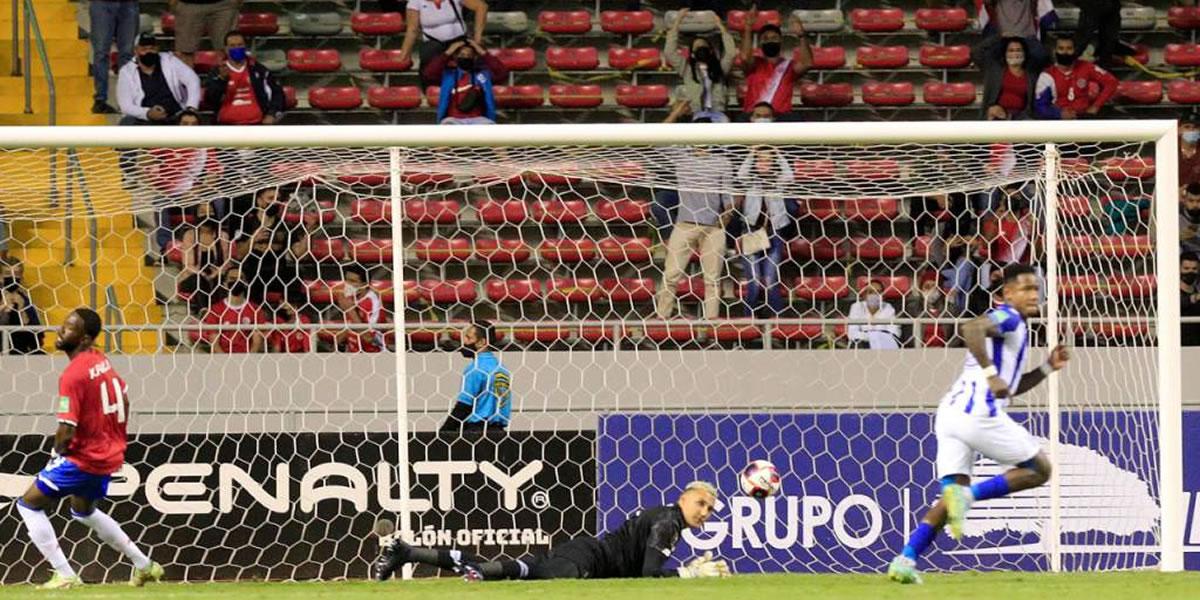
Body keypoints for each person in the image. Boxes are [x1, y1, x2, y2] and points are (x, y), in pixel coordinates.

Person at [888, 264, 1070, 584]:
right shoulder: (1008, 317)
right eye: (1025, 289)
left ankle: (905, 559)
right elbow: (971, 328)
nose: (1033, 295)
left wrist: (1047, 368)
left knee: (949, 500)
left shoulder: (1017, 329)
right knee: (1041, 469)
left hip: (949, 415)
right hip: (977, 415)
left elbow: (1010, 387)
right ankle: (970, 496)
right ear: (1008, 293)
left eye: (1035, 289)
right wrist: (990, 374)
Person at [14, 308, 164, 589]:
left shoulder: (72, 376)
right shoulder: (100, 360)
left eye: (69, 328)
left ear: (84, 339)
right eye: (64, 325)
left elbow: (66, 430)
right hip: (108, 456)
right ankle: (144, 565)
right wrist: (111, 437)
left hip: (83, 459)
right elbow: (125, 400)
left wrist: (59, 451)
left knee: (28, 504)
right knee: (83, 511)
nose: (61, 330)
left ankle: (65, 575)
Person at [374, 481, 730, 582]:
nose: (705, 512)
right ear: (683, 498)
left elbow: (641, 573)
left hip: (586, 555)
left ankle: (406, 551)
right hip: (588, 560)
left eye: (710, 509)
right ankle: (406, 551)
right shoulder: (668, 522)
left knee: (522, 570)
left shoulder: (667, 519)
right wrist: (686, 573)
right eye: (700, 503)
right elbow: (649, 574)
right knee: (504, 572)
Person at [654, 147, 734, 321]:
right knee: (671, 275)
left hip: (713, 227)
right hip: (685, 225)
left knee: (712, 278)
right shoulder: (682, 158)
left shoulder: (722, 162)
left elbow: (727, 195)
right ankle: (662, 317)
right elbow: (657, 142)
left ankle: (711, 320)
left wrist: (726, 216)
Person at [735, 146, 794, 317]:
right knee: (754, 281)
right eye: (761, 159)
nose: (764, 163)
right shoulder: (751, 181)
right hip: (751, 232)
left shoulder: (778, 181)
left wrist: (778, 153)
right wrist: (752, 154)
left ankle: (778, 320)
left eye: (768, 160)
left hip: (774, 234)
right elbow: (741, 174)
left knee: (770, 281)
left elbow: (790, 175)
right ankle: (749, 320)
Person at [738, 7, 812, 119]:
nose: (770, 41)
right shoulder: (754, 64)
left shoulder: (789, 66)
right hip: (754, 115)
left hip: (780, 117)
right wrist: (748, 28)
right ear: (760, 43)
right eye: (765, 38)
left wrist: (801, 35)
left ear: (781, 41)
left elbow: (807, 63)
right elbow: (744, 57)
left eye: (774, 38)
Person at [440, 320, 512, 433]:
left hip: (476, 432)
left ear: (482, 342)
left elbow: (464, 405)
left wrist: (444, 431)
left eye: (468, 338)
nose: (464, 342)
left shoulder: (475, 368)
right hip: (499, 431)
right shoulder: (502, 369)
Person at [665, 9, 736, 123]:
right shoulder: (686, 69)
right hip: (698, 114)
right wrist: (677, 23)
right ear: (692, 54)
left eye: (703, 46)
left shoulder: (720, 69)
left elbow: (731, 53)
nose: (700, 49)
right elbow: (669, 52)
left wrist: (721, 27)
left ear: (711, 51)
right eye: (697, 47)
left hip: (719, 114)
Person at [399, 0, 490, 87]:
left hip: (459, 40)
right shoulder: (415, 2)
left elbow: (482, 7)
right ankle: (431, 91)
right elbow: (412, 30)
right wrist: (404, 54)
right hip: (433, 43)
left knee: (472, 54)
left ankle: (476, 88)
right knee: (428, 56)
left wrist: (477, 37)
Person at [203, 32, 286, 125]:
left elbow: (277, 93)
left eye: (239, 45)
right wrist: (221, 79)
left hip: (257, 125)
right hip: (226, 127)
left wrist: (271, 114)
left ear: (245, 46)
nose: (236, 48)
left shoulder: (258, 69)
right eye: (232, 46)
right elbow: (210, 100)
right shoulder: (217, 71)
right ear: (226, 49)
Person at [117, 34, 201, 126]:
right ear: (136, 51)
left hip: (174, 115)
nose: (149, 52)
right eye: (144, 49)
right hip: (145, 119)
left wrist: (191, 109)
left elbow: (193, 80)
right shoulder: (126, 72)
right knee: (127, 123)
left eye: (152, 48)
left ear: (157, 49)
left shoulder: (170, 60)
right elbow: (125, 105)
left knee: (189, 122)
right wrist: (148, 113)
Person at [423, 38, 507, 125]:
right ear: (455, 57)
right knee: (447, 126)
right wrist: (448, 52)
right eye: (462, 54)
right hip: (453, 119)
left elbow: (502, 73)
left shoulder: (483, 75)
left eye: (469, 55)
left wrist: (482, 52)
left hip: (479, 119)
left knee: (489, 128)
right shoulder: (448, 75)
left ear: (475, 57)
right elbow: (429, 73)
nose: (466, 57)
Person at [1033, 36, 1117, 120]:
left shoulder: (1086, 67)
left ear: (1074, 50)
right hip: (1059, 120)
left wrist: (1096, 106)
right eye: (1061, 48)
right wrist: (1059, 114)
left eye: (1069, 48)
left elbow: (1112, 82)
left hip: (1084, 117)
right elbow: (1040, 106)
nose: (1065, 52)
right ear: (1054, 51)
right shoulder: (1047, 75)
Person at [976, 36, 1046, 120]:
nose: (1015, 53)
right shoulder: (994, 70)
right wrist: (999, 37)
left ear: (1024, 53)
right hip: (995, 117)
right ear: (1005, 53)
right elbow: (976, 53)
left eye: (1018, 50)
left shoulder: (1032, 75)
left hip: (1022, 119)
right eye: (1011, 50)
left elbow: (1044, 56)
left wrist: (1027, 36)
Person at [89, 0, 139, 114]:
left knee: (127, 54)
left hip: (129, 4)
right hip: (102, 4)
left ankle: (127, 100)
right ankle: (100, 100)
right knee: (101, 52)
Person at [178, 217, 232, 314]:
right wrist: (203, 274)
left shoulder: (222, 235)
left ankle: (220, 312)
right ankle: (204, 311)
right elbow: (188, 265)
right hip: (193, 278)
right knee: (199, 280)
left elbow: (226, 262)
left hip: (215, 276)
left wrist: (214, 274)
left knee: (219, 280)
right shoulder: (190, 235)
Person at [200, 279, 267, 353]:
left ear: (246, 283)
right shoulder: (215, 310)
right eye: (232, 278)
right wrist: (226, 361)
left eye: (240, 279)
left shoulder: (255, 309)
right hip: (223, 357)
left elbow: (257, 342)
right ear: (224, 284)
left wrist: (248, 360)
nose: (236, 282)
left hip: (246, 356)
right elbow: (214, 343)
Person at [172, 0, 239, 68]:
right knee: (185, 52)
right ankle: (186, 78)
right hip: (187, 5)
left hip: (225, 4)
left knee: (230, 49)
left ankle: (235, 78)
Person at [334, 266, 384, 353]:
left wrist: (350, 310)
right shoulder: (352, 297)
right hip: (353, 353)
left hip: (372, 355)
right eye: (346, 280)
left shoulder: (371, 302)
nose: (347, 284)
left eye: (353, 281)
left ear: (364, 285)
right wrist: (336, 344)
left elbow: (369, 338)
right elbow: (349, 326)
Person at [0, 259, 43, 354]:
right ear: (1, 277)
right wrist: (3, 308)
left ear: (21, 277)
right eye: (8, 273)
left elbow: (38, 336)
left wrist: (22, 310)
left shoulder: (26, 301)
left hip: (21, 352)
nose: (12, 277)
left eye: (16, 273)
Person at [847, 280, 902, 350]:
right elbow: (852, 334)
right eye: (870, 292)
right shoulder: (856, 307)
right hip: (861, 347)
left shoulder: (888, 308)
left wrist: (867, 335)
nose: (874, 295)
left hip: (884, 348)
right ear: (864, 295)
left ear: (883, 296)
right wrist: (878, 336)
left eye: (878, 292)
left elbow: (895, 333)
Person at [1182, 254, 1200, 347]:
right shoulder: (1169, 292)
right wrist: (1195, 298)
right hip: (1179, 345)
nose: (1190, 272)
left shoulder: (1196, 291)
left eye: (1194, 269)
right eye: (1186, 268)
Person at [1179, 116, 1200, 189]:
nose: (1191, 130)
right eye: (1187, 127)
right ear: (1179, 129)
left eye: (1196, 127)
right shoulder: (1170, 149)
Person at [1182, 184, 1200, 254]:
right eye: (1191, 201)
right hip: (1183, 258)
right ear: (1184, 200)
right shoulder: (1176, 216)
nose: (1195, 205)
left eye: (1199, 201)